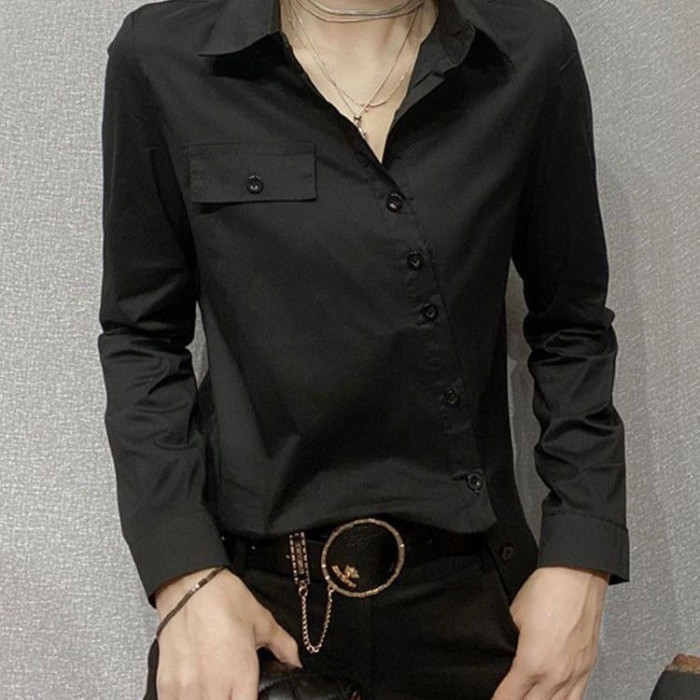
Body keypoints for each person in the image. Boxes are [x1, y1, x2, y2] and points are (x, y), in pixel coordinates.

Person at [97, 0, 630, 698]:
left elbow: (571, 325)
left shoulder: (525, 55)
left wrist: (581, 561)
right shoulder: (166, 58)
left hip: (470, 607)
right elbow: (142, 334)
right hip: (251, 611)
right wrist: (183, 577)